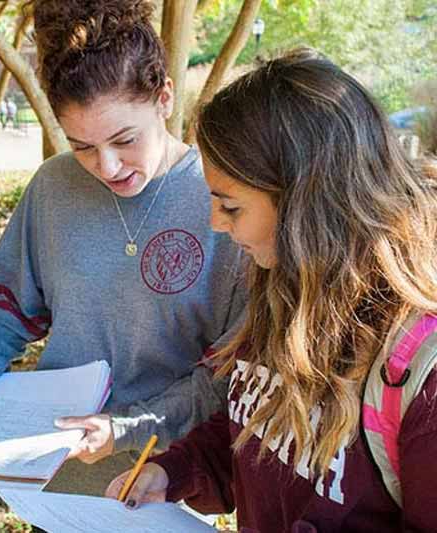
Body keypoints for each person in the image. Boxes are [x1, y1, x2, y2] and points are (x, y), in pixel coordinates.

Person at [0, 0, 245, 496]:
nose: (107, 167)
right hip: (54, 466)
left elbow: (230, 371)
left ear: (165, 98)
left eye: (124, 139)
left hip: (168, 475)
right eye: (82, 146)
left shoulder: (223, 201)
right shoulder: (52, 188)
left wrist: (128, 428)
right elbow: (6, 314)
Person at [106, 48, 437, 531]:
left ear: (307, 205)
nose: (216, 224)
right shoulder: (282, 289)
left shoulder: (419, 372)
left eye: (231, 207)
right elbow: (255, 429)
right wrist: (173, 471)